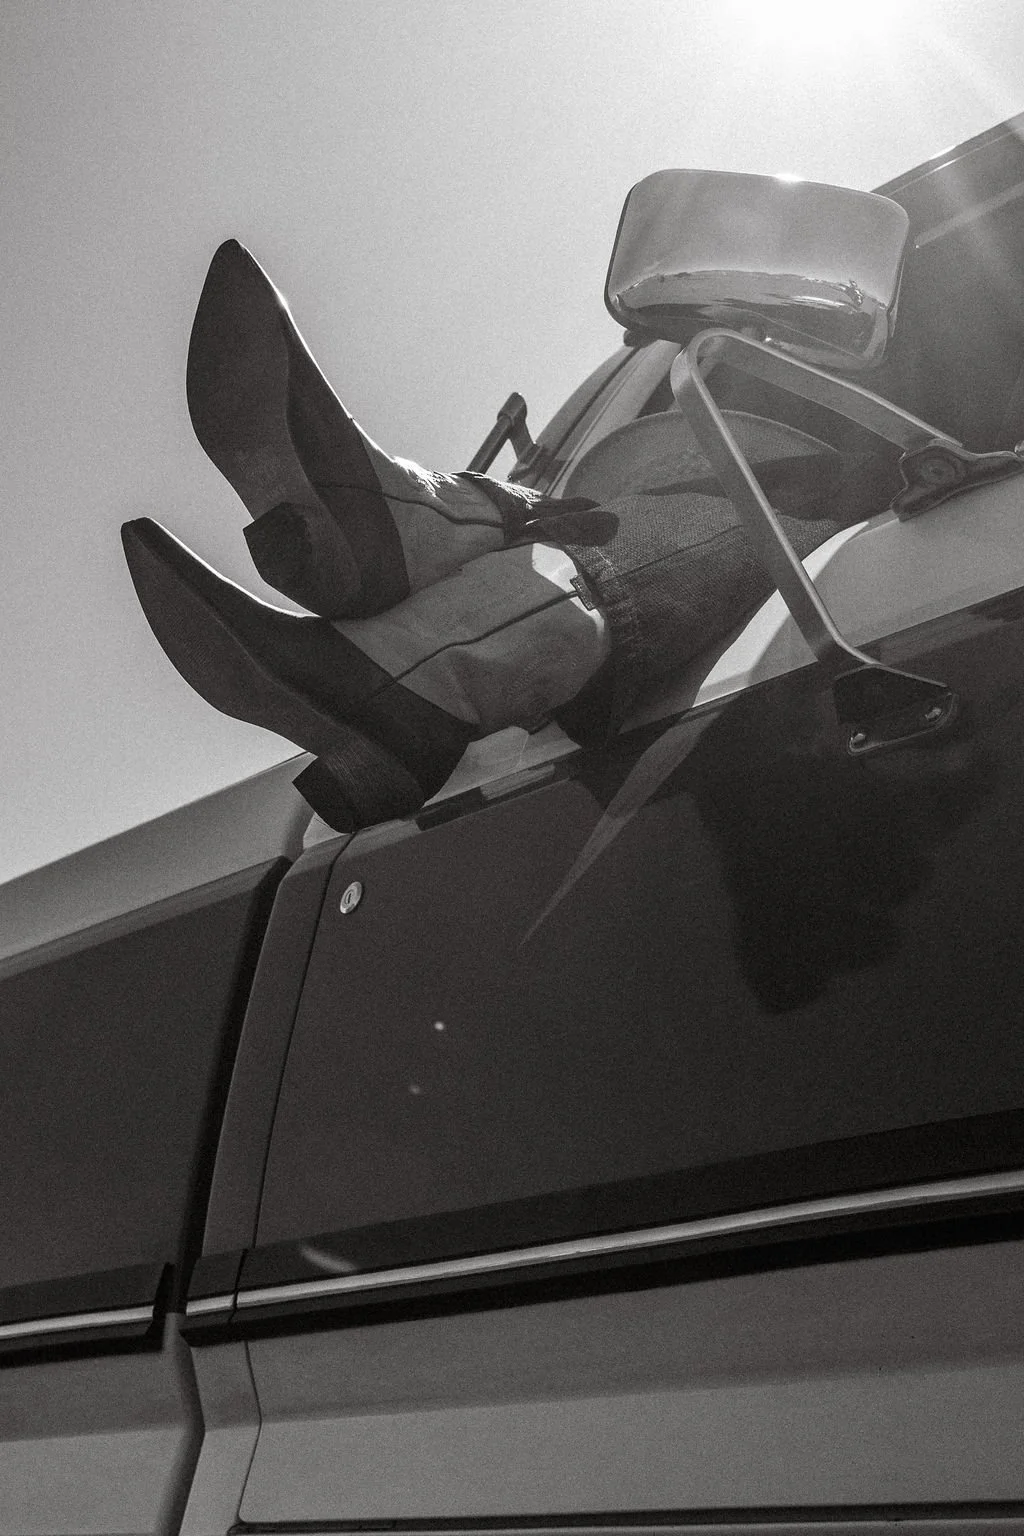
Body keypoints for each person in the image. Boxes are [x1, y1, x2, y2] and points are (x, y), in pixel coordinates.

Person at [121, 240, 857, 831]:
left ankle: (405, 568)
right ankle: (405, 578)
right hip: (709, 496)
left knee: (650, 520)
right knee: (596, 522)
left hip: (787, 488)